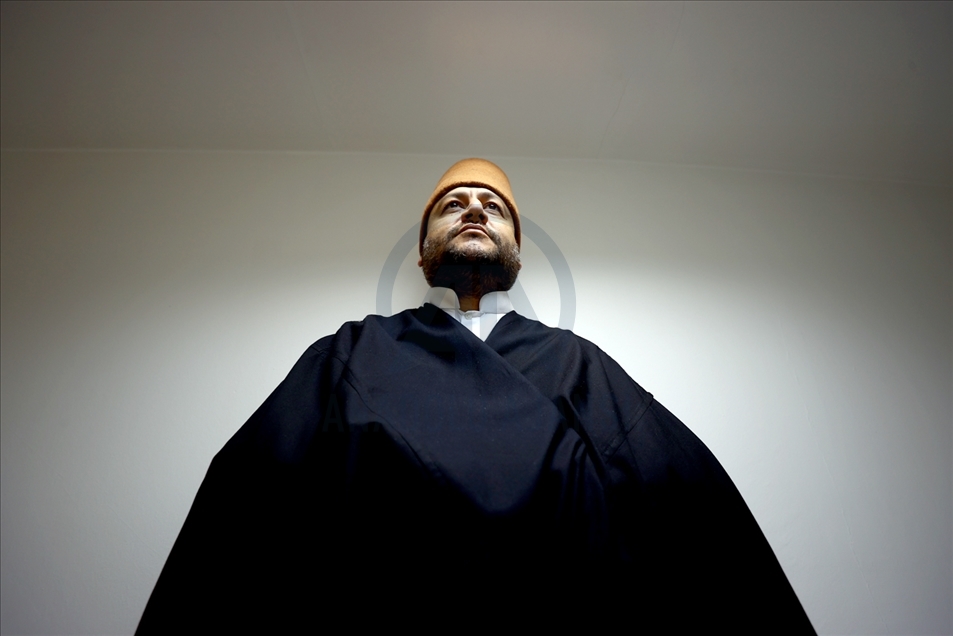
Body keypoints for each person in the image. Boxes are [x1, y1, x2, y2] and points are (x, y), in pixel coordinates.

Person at [137, 158, 816, 633]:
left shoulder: (574, 361)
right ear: (422, 250)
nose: (473, 210)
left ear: (515, 250)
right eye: (452, 204)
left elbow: (687, 498)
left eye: (493, 208)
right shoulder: (352, 350)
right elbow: (248, 495)